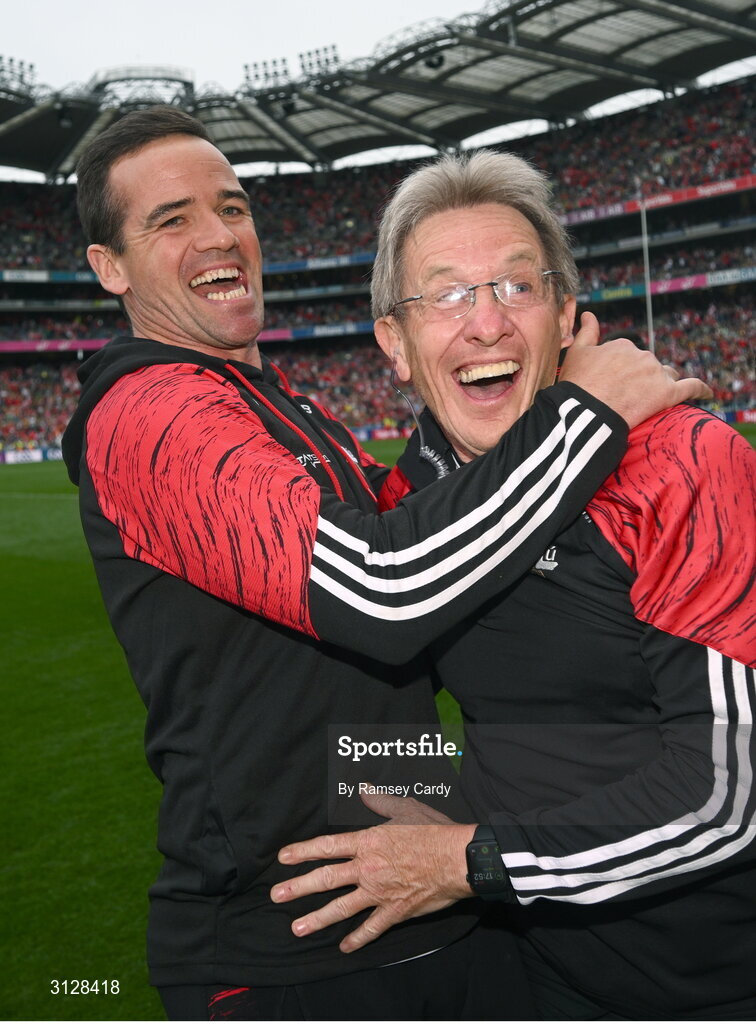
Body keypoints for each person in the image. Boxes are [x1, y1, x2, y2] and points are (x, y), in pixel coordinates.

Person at [61, 108, 706, 1020]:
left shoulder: (280, 405)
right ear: (111, 267)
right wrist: (583, 417)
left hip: (422, 901)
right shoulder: (147, 411)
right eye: (172, 219)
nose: (219, 234)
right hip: (293, 949)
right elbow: (384, 591)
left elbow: (416, 575)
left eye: (233, 207)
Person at [270, 151, 756, 1021]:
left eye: (516, 287)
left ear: (565, 316)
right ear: (395, 344)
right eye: (448, 294)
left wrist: (470, 859)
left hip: (712, 980)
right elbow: (405, 720)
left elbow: (729, 796)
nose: (486, 324)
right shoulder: (407, 507)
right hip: (512, 971)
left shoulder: (683, 463)